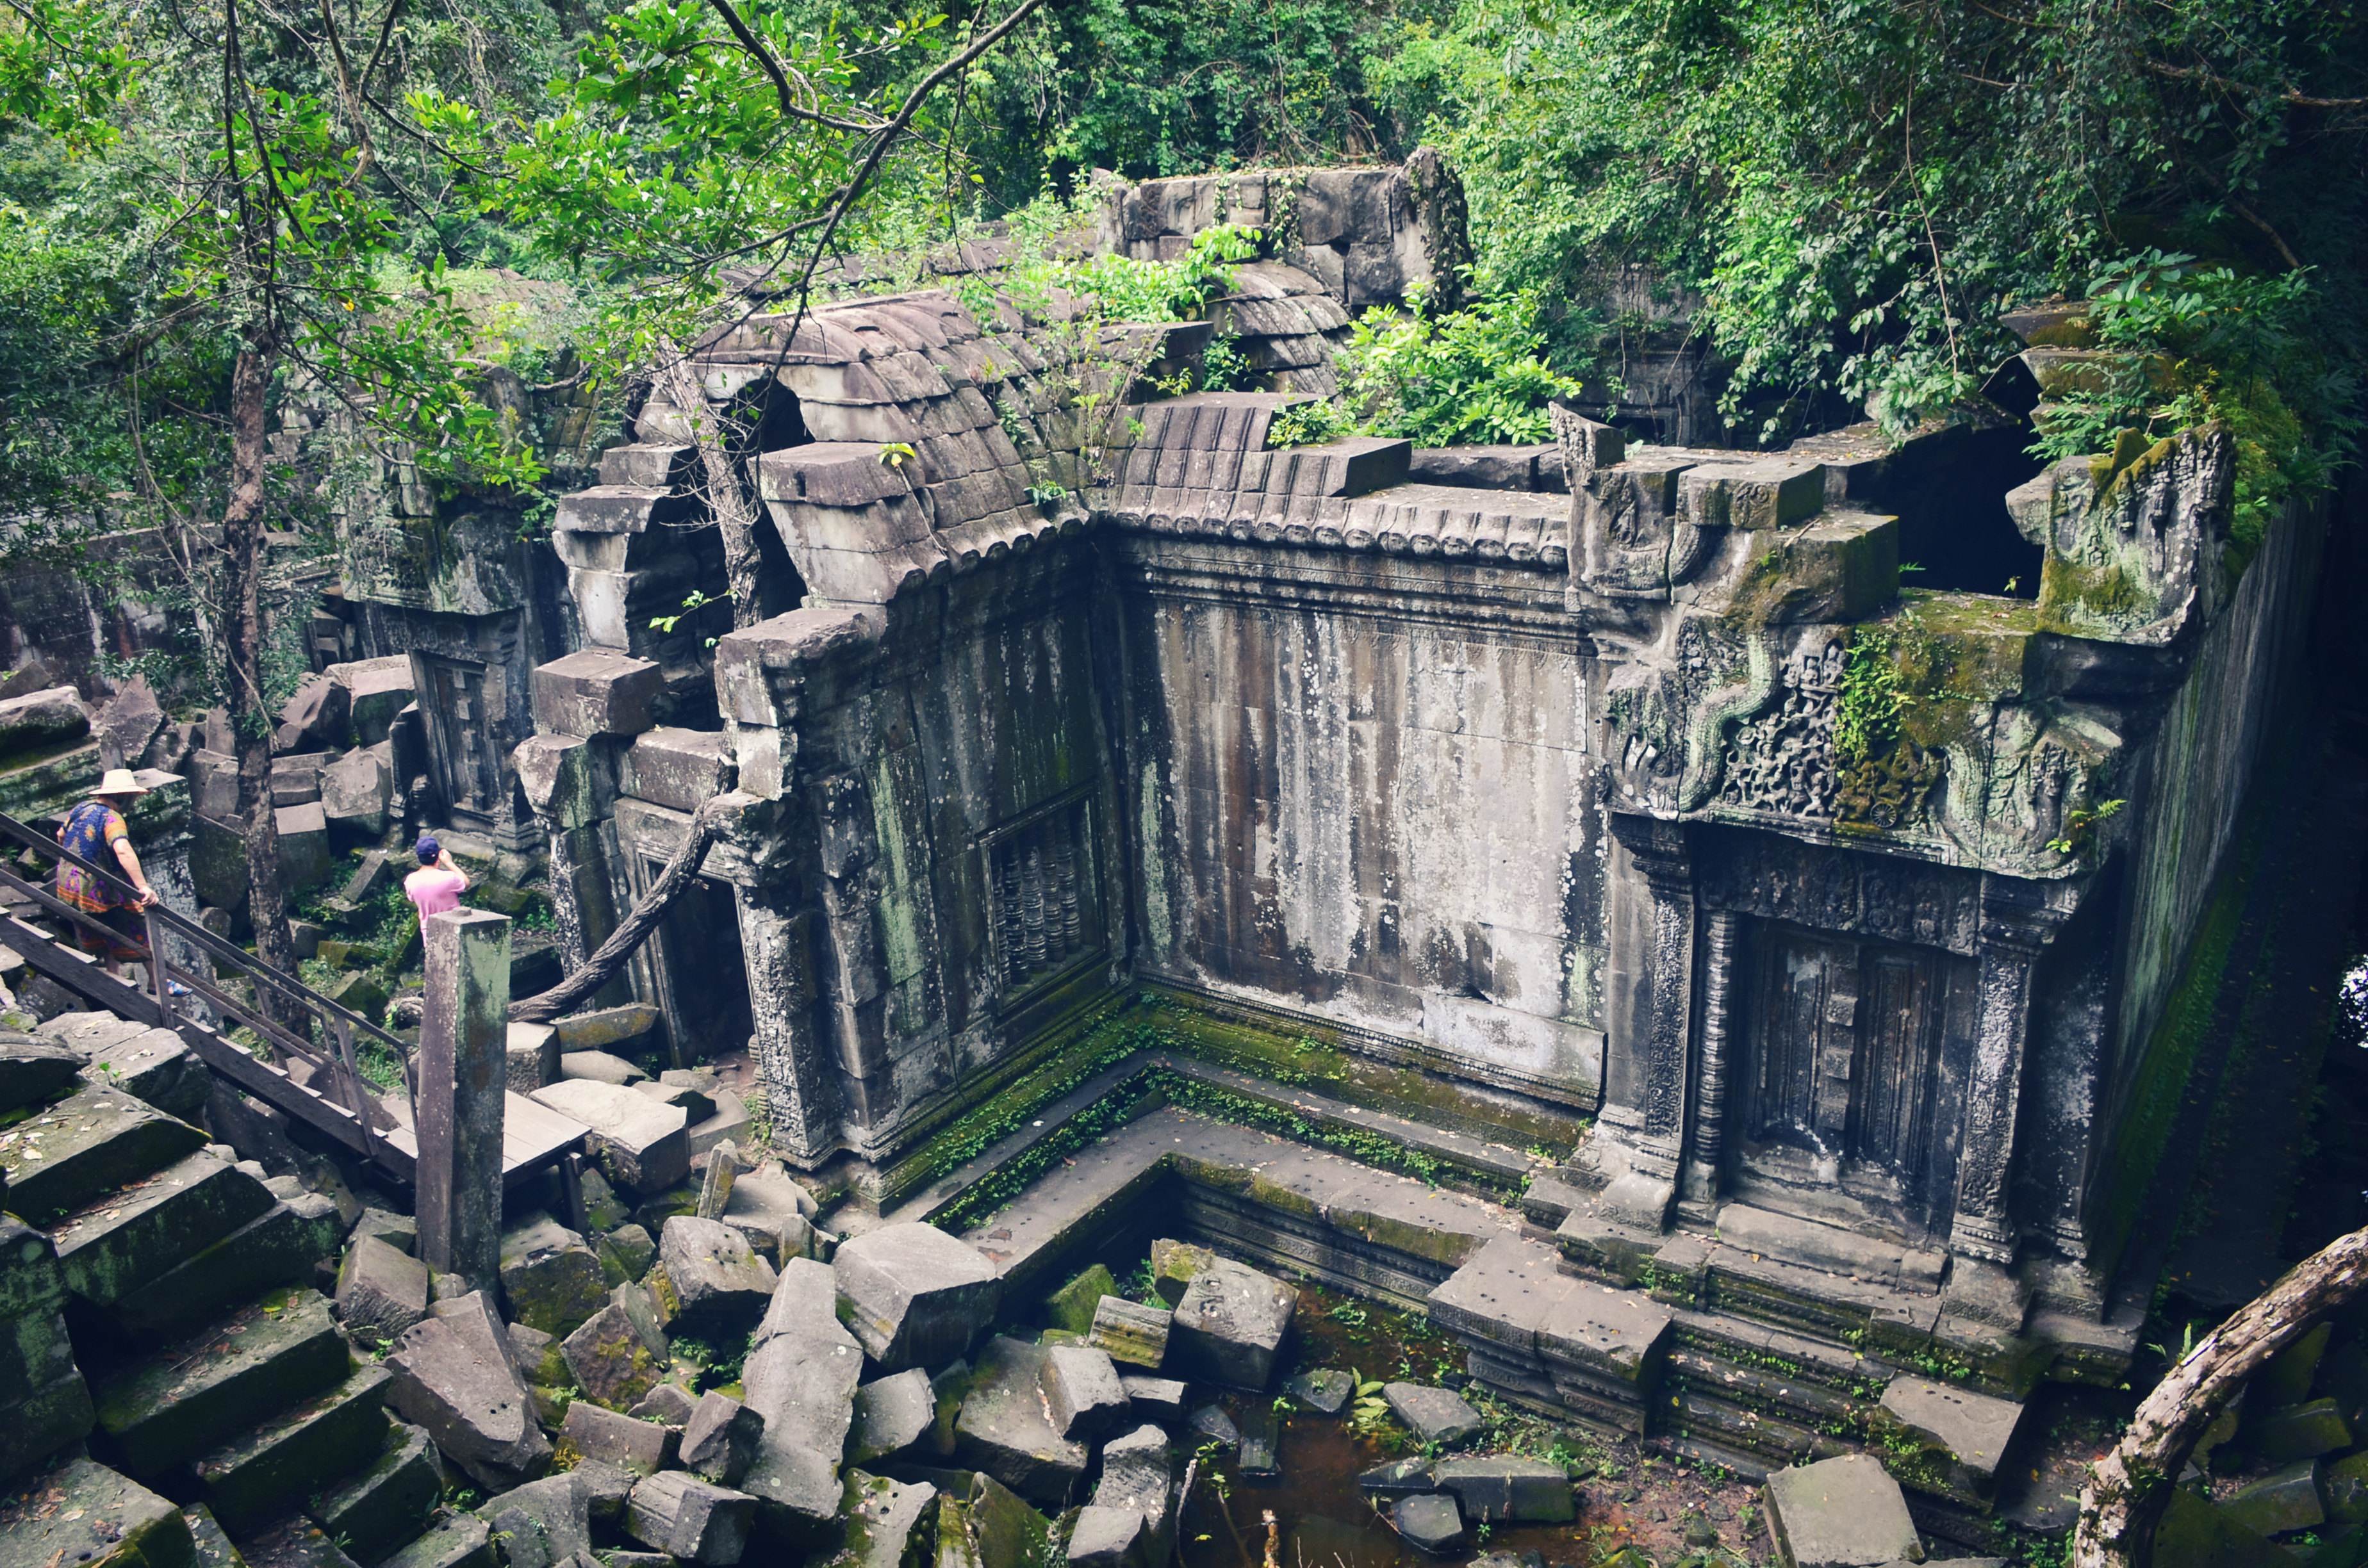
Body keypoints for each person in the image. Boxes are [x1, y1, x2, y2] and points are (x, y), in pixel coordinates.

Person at [56, 769, 161, 983]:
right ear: (122, 796)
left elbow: (61, 835)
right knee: (134, 920)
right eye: (132, 797)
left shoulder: (80, 808)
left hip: (68, 884)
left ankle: (114, 976)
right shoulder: (112, 818)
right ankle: (156, 981)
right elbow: (122, 850)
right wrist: (143, 886)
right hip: (93, 886)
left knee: (100, 927)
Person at [404, 835, 470, 922]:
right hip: (451, 927)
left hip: (428, 930)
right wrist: (449, 862)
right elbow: (467, 883)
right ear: (438, 856)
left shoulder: (410, 880)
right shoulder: (449, 878)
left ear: (419, 857)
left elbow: (412, 898)